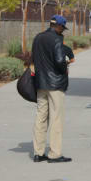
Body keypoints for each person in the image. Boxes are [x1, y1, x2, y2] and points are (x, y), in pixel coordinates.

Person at [31, 15, 71, 163]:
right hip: (55, 84)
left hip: (41, 83)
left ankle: (38, 152)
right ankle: (55, 154)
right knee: (56, 118)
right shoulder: (57, 40)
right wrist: (65, 65)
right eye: (63, 28)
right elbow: (60, 61)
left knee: (40, 117)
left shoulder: (38, 38)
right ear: (59, 26)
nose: (63, 31)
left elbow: (34, 58)